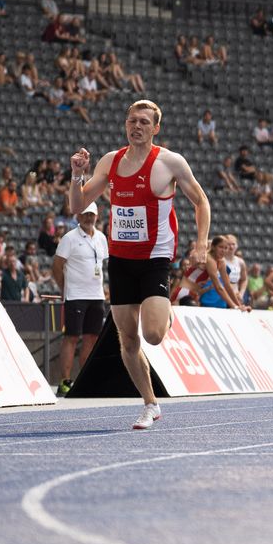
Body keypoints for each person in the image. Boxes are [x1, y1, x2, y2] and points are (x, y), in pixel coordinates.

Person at [68, 100, 212, 430]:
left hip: (155, 260)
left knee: (154, 334)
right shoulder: (110, 161)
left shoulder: (169, 162)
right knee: (128, 340)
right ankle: (150, 404)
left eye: (144, 122)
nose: (137, 126)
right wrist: (77, 174)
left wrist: (202, 242)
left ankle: (164, 312)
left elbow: (201, 200)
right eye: (132, 120)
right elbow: (79, 206)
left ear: (155, 128)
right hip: (120, 260)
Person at [52, 204, 109, 395]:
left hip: (96, 296)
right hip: (75, 296)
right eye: (85, 214)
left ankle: (85, 379)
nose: (88, 218)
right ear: (78, 215)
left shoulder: (101, 238)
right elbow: (57, 266)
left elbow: (101, 265)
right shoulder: (69, 238)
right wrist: (64, 289)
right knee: (71, 337)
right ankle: (65, 381)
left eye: (91, 214)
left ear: (97, 215)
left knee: (91, 338)